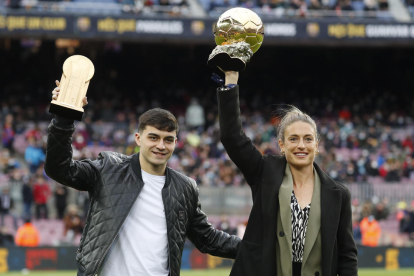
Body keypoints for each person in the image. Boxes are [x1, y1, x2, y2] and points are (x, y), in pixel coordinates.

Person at [45, 80, 240, 276]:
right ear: (138, 139)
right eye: (153, 137)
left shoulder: (185, 187)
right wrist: (64, 118)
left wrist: (260, 247)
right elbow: (60, 170)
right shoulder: (109, 169)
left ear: (175, 143)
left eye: (168, 139)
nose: (161, 146)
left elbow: (208, 239)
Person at [216, 71, 358, 276]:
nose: (301, 145)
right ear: (281, 144)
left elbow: (347, 255)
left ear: (317, 146)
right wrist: (230, 82)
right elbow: (232, 137)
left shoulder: (338, 194)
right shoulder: (265, 173)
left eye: (308, 139)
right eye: (293, 139)